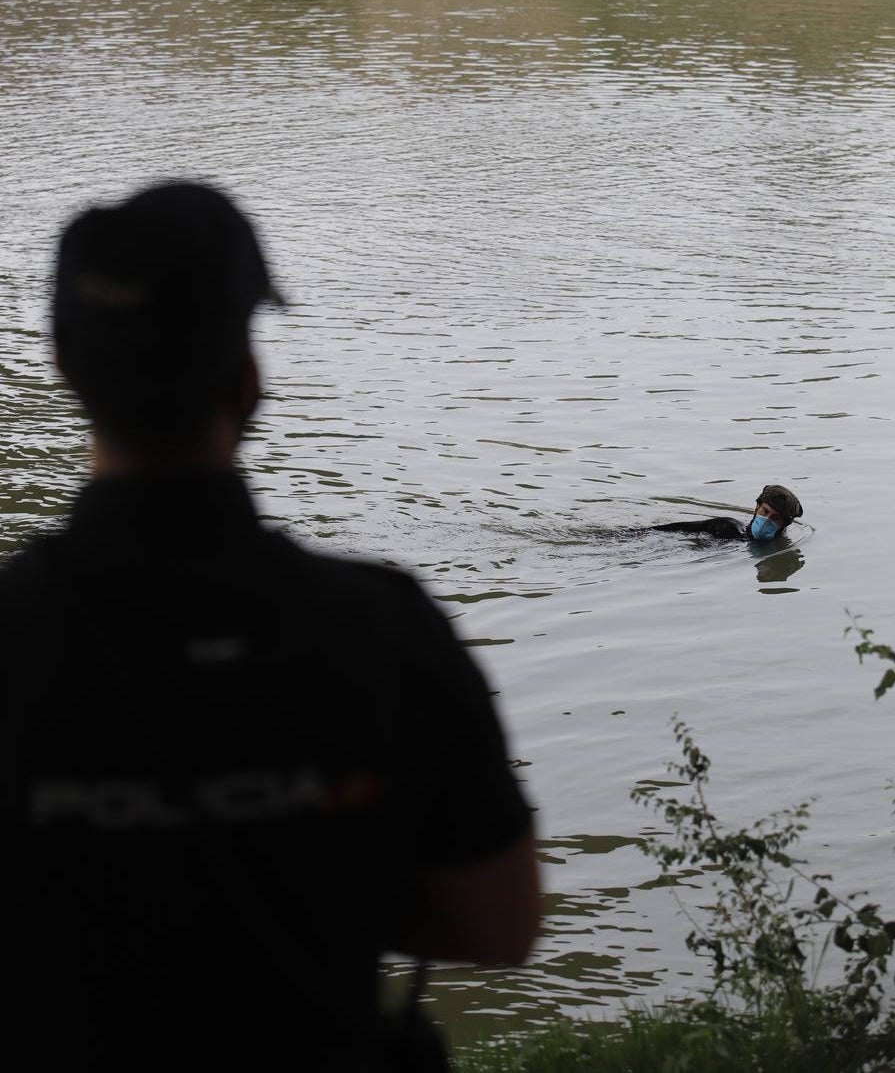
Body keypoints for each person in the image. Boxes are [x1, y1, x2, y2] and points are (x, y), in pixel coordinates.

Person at [2, 183, 540, 1072]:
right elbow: (502, 927)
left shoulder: (13, 635)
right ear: (247, 379)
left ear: (65, 371)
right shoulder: (385, 630)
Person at [652, 484, 804, 542]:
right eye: (765, 511)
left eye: (775, 518)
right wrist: (645, 532)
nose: (766, 519)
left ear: (785, 524)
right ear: (757, 507)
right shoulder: (728, 527)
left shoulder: (777, 544)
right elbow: (681, 528)